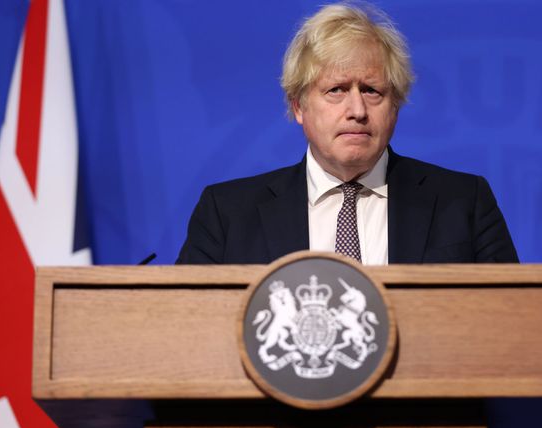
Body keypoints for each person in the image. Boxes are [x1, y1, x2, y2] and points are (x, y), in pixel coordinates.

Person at [177, 2, 517, 265]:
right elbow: (186, 329)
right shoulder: (228, 214)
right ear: (298, 106)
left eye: (372, 90)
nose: (357, 110)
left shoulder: (463, 202)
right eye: (336, 90)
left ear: (395, 105)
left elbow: (512, 323)